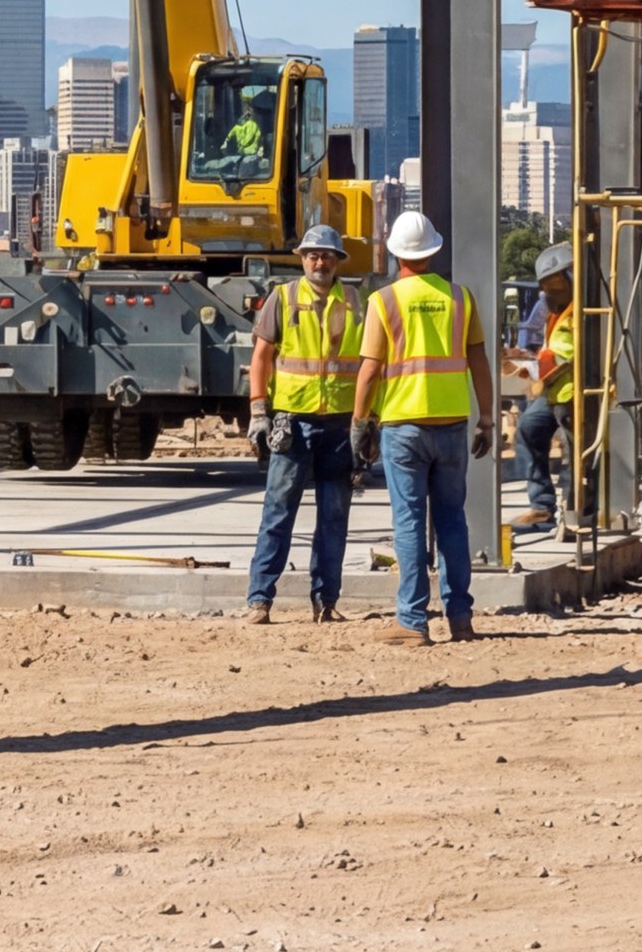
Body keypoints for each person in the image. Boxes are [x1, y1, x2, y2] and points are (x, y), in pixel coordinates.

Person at [349, 209, 495, 648]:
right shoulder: (460, 298)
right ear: (433, 250)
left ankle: (412, 621)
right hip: (452, 425)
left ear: (396, 255)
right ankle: (461, 618)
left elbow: (370, 370)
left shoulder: (384, 302)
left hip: (404, 428)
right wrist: (487, 418)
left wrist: (360, 422)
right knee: (453, 521)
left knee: (409, 523)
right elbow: (480, 362)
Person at [241, 223, 365, 625]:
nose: (319, 261)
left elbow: (368, 364)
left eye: (327, 255)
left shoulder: (354, 301)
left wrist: (367, 422)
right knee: (277, 513)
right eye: (312, 254)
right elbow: (261, 356)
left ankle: (326, 601)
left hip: (339, 426)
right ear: (302, 259)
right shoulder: (283, 297)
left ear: (338, 261)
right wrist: (259, 410)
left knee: (334, 518)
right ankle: (260, 600)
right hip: (293, 423)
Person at [510, 243, 578, 536]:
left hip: (573, 392)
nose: (551, 292)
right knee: (527, 428)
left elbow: (566, 356)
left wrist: (537, 369)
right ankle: (542, 506)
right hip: (554, 391)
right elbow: (552, 352)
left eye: (556, 285)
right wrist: (527, 364)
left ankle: (577, 510)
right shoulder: (557, 313)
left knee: (577, 453)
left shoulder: (581, 311)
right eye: (547, 286)